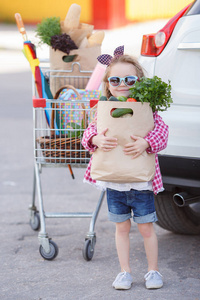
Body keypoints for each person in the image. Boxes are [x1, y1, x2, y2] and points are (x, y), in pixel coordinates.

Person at [82, 46, 169, 290]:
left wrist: (146, 142)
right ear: (107, 84)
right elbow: (88, 133)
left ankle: (153, 271)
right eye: (115, 79)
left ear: (139, 82)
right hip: (114, 181)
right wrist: (95, 139)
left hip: (140, 182)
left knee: (146, 228)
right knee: (121, 228)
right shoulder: (103, 111)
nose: (122, 84)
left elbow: (162, 133)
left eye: (129, 79)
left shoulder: (147, 109)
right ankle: (125, 272)